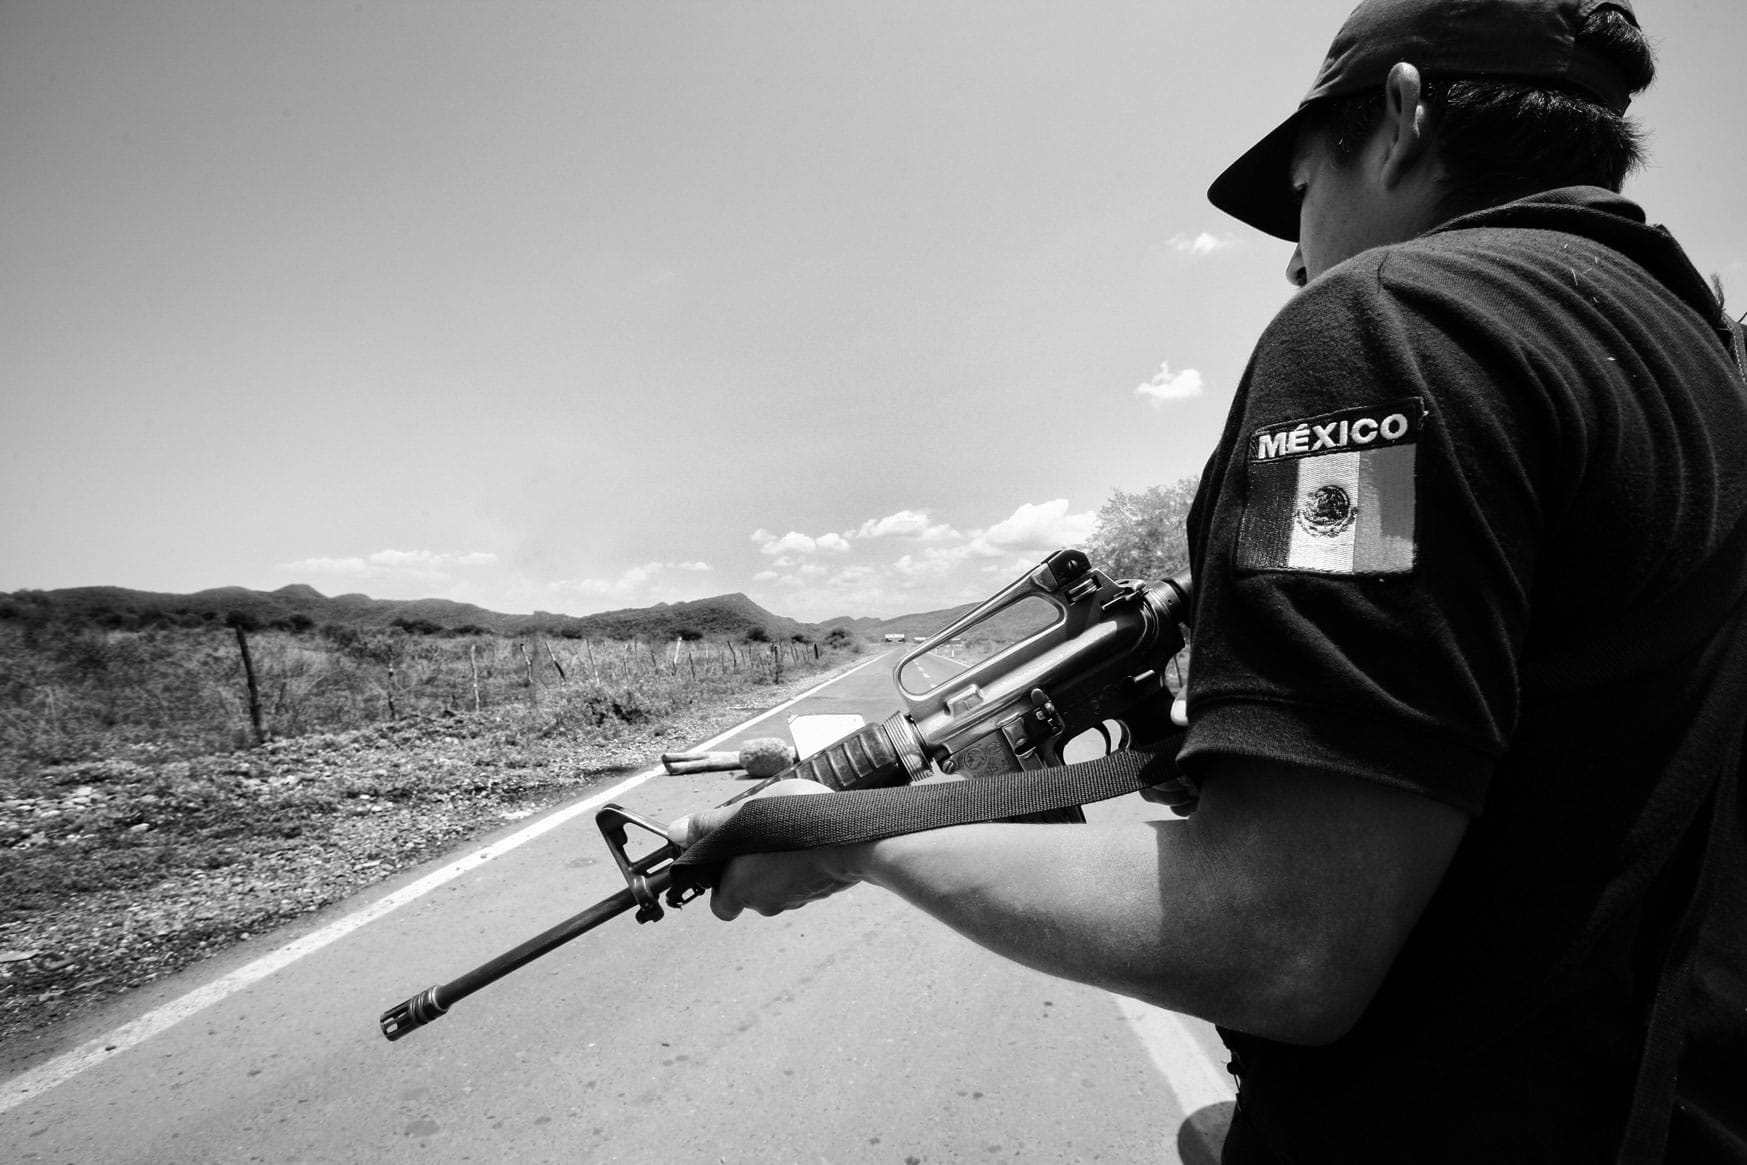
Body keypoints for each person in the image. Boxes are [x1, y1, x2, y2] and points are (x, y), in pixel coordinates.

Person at [669, 1, 1747, 1159]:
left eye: (1296, 196)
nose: (1293, 257)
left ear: (1397, 116)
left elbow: (1283, 935)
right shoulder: (1694, 358)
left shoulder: (1394, 323)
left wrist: (843, 835)